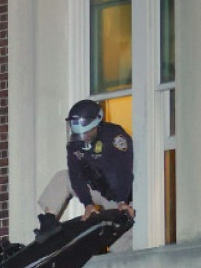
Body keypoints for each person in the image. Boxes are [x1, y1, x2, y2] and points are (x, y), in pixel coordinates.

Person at [36, 99, 135, 250]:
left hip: (120, 195)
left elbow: (124, 172)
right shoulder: (75, 143)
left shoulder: (114, 137)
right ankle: (49, 223)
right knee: (63, 176)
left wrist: (122, 201)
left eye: (88, 132)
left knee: (121, 245)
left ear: (97, 123)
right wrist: (88, 203)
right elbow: (76, 175)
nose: (84, 137)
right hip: (96, 188)